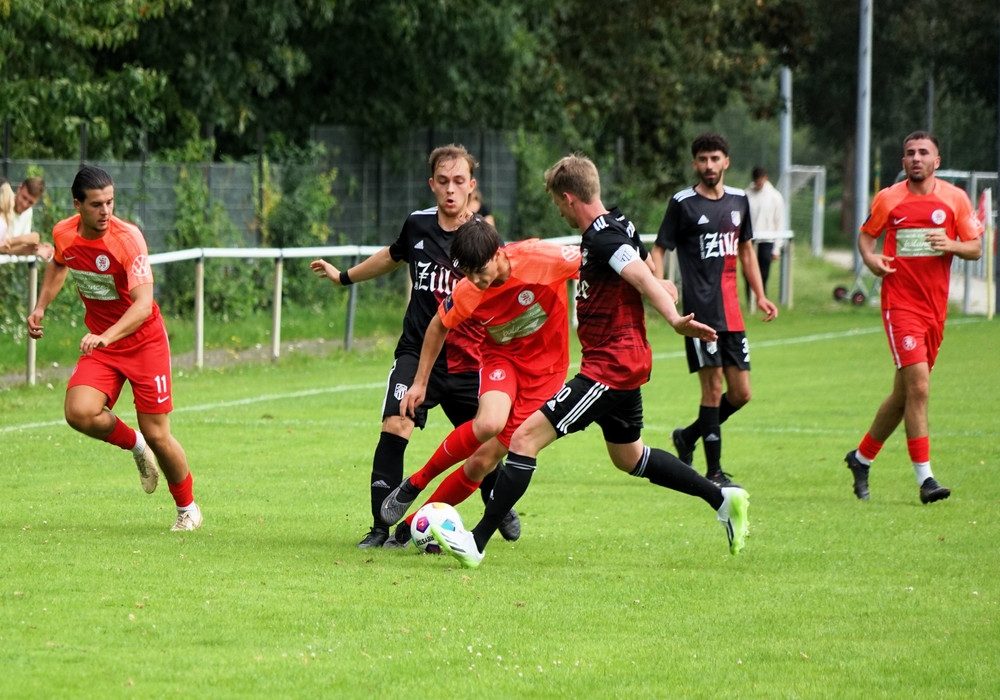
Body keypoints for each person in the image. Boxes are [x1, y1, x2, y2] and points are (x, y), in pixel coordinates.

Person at [431, 154, 750, 569]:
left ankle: (476, 543)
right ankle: (722, 499)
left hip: (610, 365)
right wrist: (662, 284)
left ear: (568, 198)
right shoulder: (619, 223)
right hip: (623, 361)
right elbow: (646, 267)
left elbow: (637, 273)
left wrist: (672, 317)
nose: (558, 211)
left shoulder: (601, 236)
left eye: (557, 203)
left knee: (524, 439)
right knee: (629, 457)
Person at [310, 144, 519, 548]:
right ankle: (379, 528)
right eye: (443, 181)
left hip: (468, 358)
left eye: (458, 181)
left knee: (481, 441)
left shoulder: (484, 236)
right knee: (396, 424)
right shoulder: (418, 225)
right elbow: (391, 257)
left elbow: (505, 290)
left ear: (472, 185)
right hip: (417, 353)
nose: (450, 189)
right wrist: (344, 277)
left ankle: (496, 498)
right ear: (432, 184)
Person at [378, 218, 579, 544]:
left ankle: (413, 525)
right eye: (467, 272)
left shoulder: (542, 258)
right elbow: (437, 326)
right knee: (488, 423)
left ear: (498, 253)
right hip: (503, 360)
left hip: (547, 374)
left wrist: (652, 282)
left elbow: (599, 263)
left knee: (482, 462)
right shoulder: (469, 289)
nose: (474, 279)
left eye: (479, 270)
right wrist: (420, 383)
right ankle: (416, 481)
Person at [26, 166, 202, 531]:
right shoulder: (64, 232)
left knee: (158, 432)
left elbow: (143, 304)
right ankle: (136, 445)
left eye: (110, 202)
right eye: (96, 204)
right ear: (77, 205)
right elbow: (59, 264)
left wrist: (107, 335)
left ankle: (188, 509)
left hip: (143, 342)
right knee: (79, 412)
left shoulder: (128, 239)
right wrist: (41, 306)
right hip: (104, 344)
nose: (106, 211)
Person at [843, 131, 983, 504]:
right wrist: (871, 260)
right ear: (903, 161)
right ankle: (926, 480)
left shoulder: (954, 198)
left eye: (923, 152)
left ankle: (861, 458)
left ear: (936, 161)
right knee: (919, 388)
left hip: (935, 311)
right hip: (900, 306)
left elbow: (976, 248)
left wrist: (951, 244)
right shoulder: (889, 198)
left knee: (903, 395)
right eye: (909, 153)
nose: (916, 158)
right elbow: (866, 237)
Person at [652, 132, 778, 488]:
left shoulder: (739, 201)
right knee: (712, 387)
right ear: (695, 164)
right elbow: (659, 251)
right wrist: (661, 288)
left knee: (741, 394)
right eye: (703, 159)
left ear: (726, 162)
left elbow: (747, 251)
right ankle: (715, 472)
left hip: (732, 313)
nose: (709, 165)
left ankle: (687, 436)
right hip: (700, 314)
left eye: (715, 158)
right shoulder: (683, 203)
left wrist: (761, 295)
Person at [745, 166, 785, 297]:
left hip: (767, 240)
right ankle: (750, 298)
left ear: (765, 178)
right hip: (749, 239)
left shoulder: (775, 197)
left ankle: (761, 297)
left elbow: (779, 222)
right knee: (748, 270)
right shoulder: (747, 195)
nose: (758, 185)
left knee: (763, 271)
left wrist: (777, 248)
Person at [0, 176, 54, 260]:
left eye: (30, 202)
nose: (25, 204)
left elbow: (10, 249)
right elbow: (3, 245)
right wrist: (23, 239)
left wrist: (35, 249)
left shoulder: (28, 212)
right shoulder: (3, 204)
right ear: (19, 188)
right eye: (24, 197)